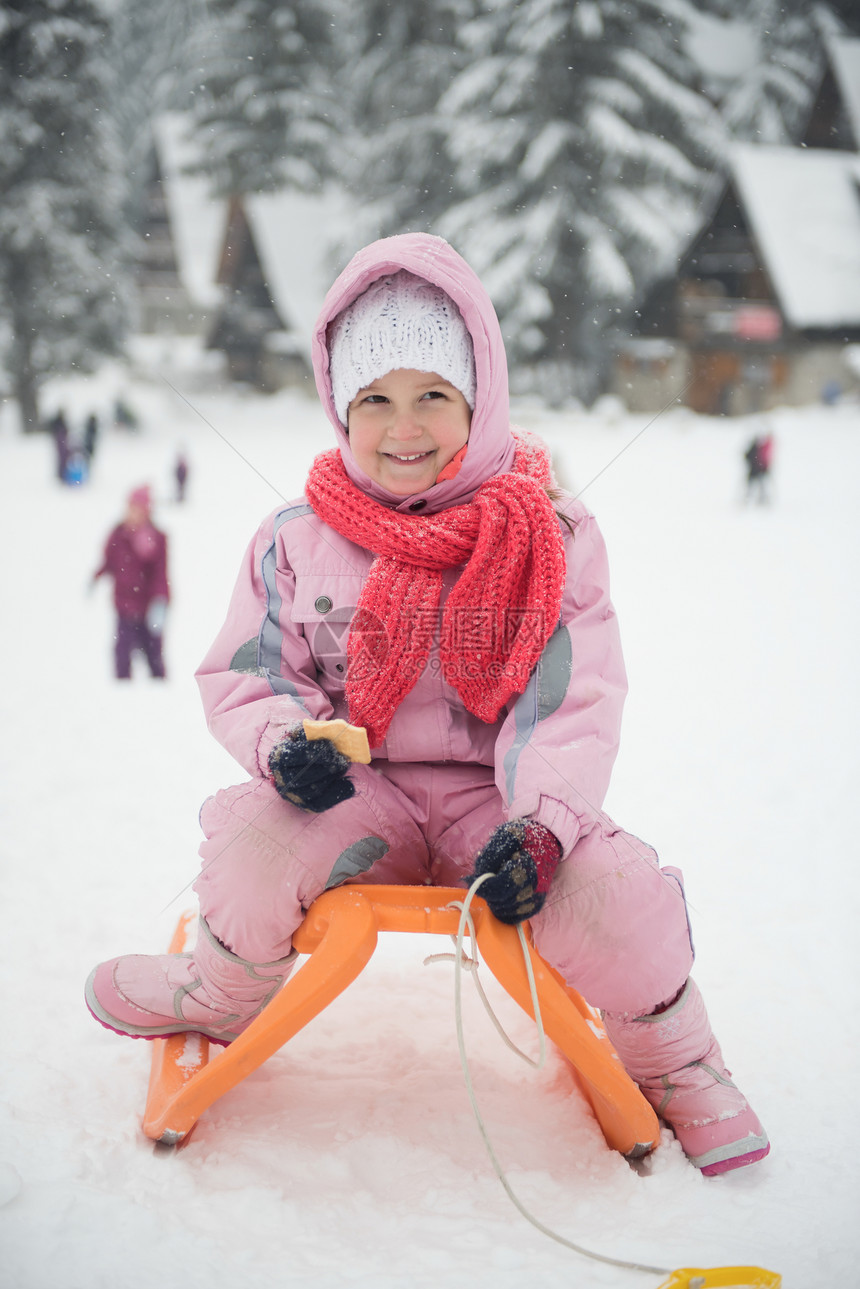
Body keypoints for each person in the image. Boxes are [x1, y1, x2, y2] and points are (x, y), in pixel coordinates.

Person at [85, 235, 768, 1177]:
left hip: (504, 802)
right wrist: (285, 746)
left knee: (616, 893)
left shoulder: (553, 535)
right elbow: (249, 672)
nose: (404, 428)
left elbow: (573, 699)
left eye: (433, 396)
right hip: (359, 796)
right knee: (251, 844)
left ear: (480, 396)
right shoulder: (295, 539)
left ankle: (678, 1057)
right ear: (340, 405)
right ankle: (221, 988)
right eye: (375, 401)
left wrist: (543, 826)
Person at [92, 485, 169, 679]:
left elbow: (160, 573)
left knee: (152, 650)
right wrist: (97, 576)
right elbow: (109, 560)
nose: (132, 514)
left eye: (137, 509)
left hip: (148, 606)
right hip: (124, 605)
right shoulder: (118, 534)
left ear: (146, 512)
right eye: (130, 508)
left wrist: (160, 600)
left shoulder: (156, 538)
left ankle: (159, 683)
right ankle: (122, 684)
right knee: (122, 648)